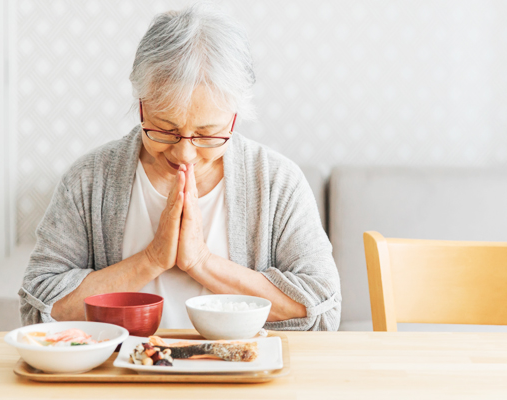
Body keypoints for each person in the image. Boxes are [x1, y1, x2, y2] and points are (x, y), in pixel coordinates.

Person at [19, 3, 341, 331]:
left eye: (207, 134)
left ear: (234, 116)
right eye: (165, 130)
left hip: (240, 377)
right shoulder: (88, 179)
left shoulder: (277, 182)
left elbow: (322, 308)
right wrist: (151, 259)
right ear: (141, 106)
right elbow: (39, 305)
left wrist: (201, 262)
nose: (185, 153)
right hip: (120, 377)